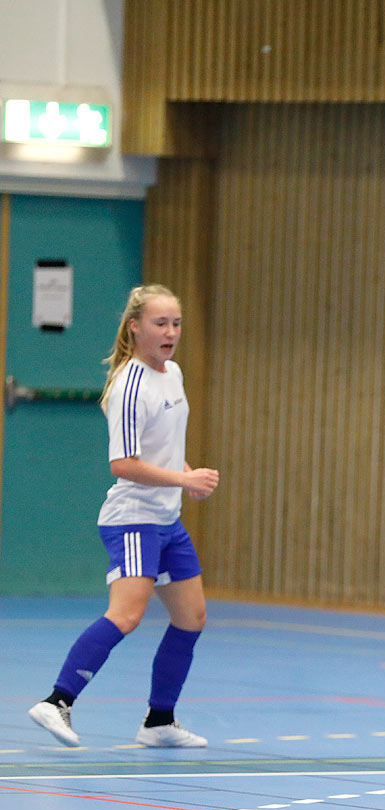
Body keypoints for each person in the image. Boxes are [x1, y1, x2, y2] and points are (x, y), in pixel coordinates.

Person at [27, 284, 220, 749]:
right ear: (135, 327)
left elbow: (162, 449)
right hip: (133, 519)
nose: (171, 332)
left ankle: (158, 721)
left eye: (176, 323)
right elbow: (124, 464)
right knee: (127, 614)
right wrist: (183, 481)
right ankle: (56, 701)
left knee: (191, 617)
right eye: (160, 323)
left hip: (166, 520)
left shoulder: (171, 373)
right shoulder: (129, 386)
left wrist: (184, 472)